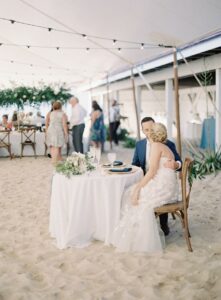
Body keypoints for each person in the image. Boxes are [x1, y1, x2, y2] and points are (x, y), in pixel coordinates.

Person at [111, 123, 179, 253]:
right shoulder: (163, 146)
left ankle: (139, 239)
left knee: (132, 195)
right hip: (167, 186)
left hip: (163, 187)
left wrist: (138, 187)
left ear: (151, 134)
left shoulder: (156, 146)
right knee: (131, 192)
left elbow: (152, 171)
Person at [132, 117, 182, 236]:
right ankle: (149, 225)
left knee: (137, 195)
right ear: (143, 130)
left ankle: (161, 225)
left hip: (158, 180)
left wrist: (175, 164)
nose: (149, 132)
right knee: (137, 190)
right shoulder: (139, 145)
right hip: (152, 178)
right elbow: (135, 164)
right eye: (146, 130)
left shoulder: (167, 144)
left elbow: (179, 162)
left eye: (151, 129)